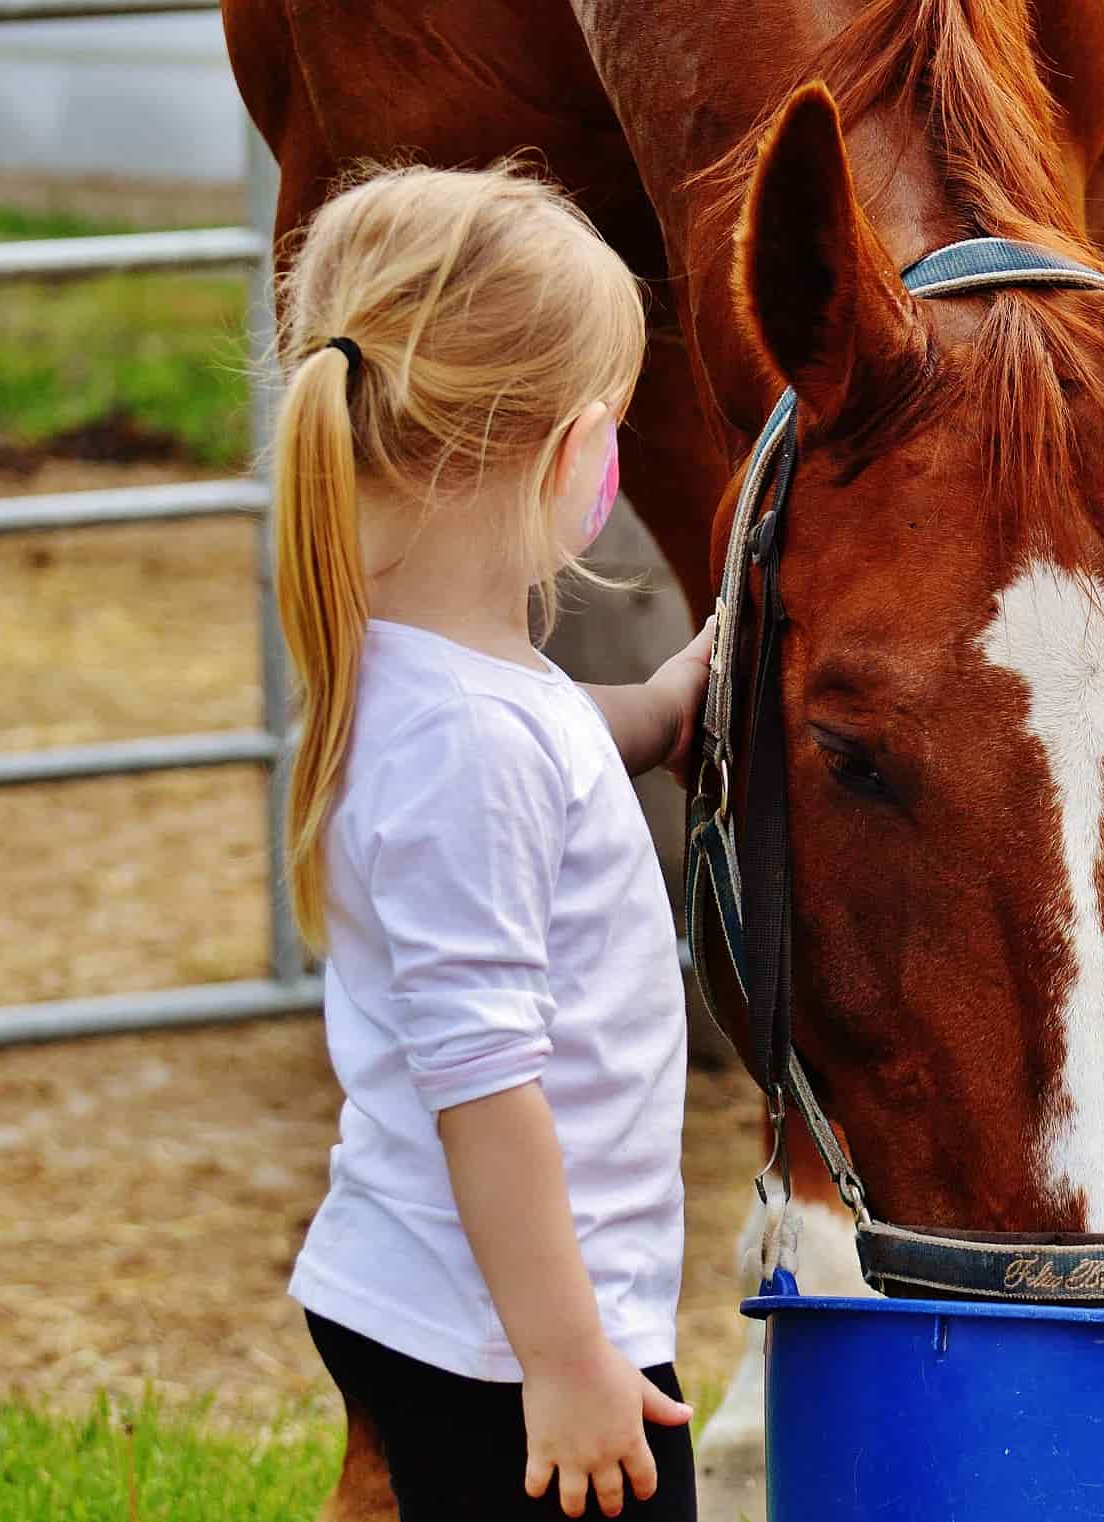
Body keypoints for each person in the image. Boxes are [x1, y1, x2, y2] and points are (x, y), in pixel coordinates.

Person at [271, 162, 710, 1522]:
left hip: (446, 1301)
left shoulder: (433, 681)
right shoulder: (468, 742)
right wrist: (567, 1359)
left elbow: (562, 743)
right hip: (510, 1334)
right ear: (576, 452)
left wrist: (673, 703)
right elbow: (485, 1089)